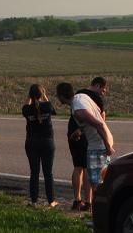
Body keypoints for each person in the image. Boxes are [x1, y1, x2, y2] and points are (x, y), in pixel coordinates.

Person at [57, 81, 114, 213]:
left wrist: (107, 146)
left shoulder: (77, 110)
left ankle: (101, 214)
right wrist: (81, 130)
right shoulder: (81, 97)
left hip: (97, 146)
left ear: (61, 96)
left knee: (96, 183)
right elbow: (98, 113)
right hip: (99, 142)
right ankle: (100, 211)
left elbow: (99, 124)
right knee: (99, 180)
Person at [22, 83, 58, 207]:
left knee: (34, 172)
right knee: (48, 173)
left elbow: (25, 106)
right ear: (42, 94)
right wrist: (44, 95)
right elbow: (53, 110)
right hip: (47, 142)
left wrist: (30, 97)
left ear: (31, 95)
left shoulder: (27, 109)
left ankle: (34, 200)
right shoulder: (47, 106)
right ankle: (51, 200)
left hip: (32, 142)